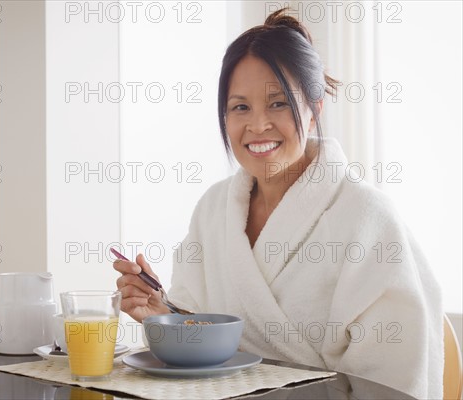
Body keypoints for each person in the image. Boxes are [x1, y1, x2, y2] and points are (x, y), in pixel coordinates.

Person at [113, 9, 443, 399]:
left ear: (315, 107)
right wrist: (163, 317)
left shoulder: (368, 219)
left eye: (278, 103)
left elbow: (393, 385)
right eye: (240, 107)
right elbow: (199, 351)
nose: (257, 125)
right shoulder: (214, 209)